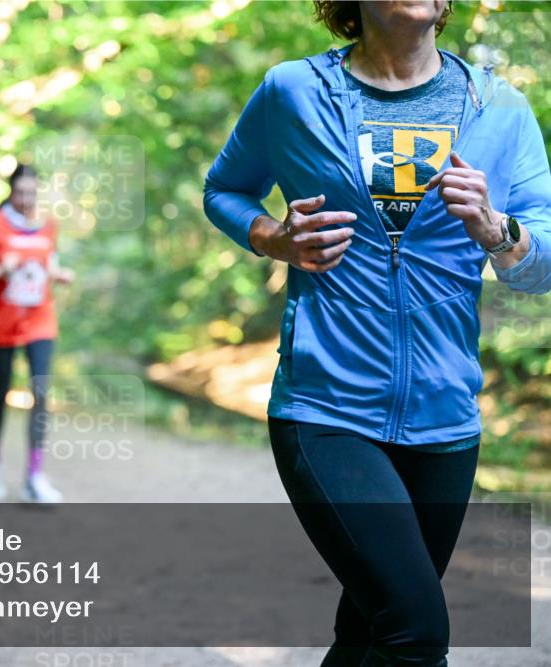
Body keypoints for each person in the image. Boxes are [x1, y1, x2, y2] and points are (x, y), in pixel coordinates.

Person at [202, 2, 550, 666]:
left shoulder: (500, 107)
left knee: (369, 632)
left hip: (446, 417)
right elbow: (225, 190)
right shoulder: (293, 91)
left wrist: (498, 229)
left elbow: (543, 264)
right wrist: (274, 237)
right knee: (415, 633)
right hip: (326, 406)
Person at [0, 164, 75, 504]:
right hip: (2, 324)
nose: (26, 199)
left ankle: (34, 475)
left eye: (32, 193)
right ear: (11, 191)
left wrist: (59, 274)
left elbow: (50, 261)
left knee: (41, 394)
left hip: (40, 322)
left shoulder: (48, 226)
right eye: (20, 193)